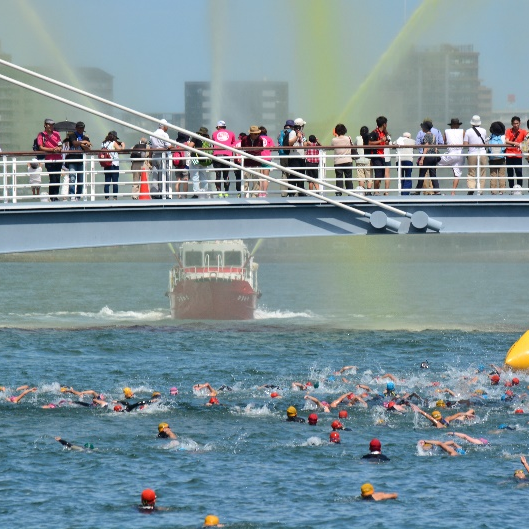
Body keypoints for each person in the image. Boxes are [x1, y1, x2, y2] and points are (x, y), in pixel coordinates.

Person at [436, 118, 465, 195]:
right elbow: (465, 142)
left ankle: (432, 185)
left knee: (436, 161)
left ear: (451, 125)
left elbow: (443, 142)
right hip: (460, 154)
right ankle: (453, 192)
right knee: (457, 174)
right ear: (458, 125)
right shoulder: (462, 131)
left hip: (451, 153)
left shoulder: (447, 131)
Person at [37, 118, 63, 201]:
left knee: (58, 178)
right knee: (52, 178)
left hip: (58, 158)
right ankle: (52, 196)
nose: (51, 126)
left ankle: (55, 196)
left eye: (52, 125)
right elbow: (41, 147)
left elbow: (60, 144)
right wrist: (52, 150)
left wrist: (59, 148)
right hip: (49, 159)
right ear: (45, 125)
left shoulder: (56, 134)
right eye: (49, 125)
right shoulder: (41, 135)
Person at [412, 122, 440, 194]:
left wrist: (422, 159)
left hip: (427, 157)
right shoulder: (433, 135)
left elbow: (426, 147)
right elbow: (435, 147)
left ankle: (417, 191)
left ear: (425, 128)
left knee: (422, 174)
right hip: (433, 156)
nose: (422, 129)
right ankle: (437, 190)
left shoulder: (426, 136)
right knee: (433, 174)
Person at [66, 122, 91, 200]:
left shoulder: (85, 138)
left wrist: (85, 145)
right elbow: (74, 143)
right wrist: (83, 143)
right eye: (79, 128)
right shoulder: (72, 135)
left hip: (81, 160)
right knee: (72, 178)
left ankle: (78, 196)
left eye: (82, 128)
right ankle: (72, 196)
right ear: (76, 128)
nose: (81, 129)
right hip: (72, 159)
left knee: (81, 180)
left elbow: (88, 149)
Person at [464, 115, 487, 195]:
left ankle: (471, 187)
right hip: (482, 153)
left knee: (471, 172)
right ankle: (480, 190)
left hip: (472, 153)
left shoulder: (468, 131)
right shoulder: (484, 131)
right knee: (482, 172)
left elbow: (465, 144)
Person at [149, 119, 172, 198]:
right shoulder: (164, 135)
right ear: (164, 126)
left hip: (154, 156)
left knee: (155, 176)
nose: (167, 127)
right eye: (167, 126)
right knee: (163, 175)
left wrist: (150, 158)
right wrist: (174, 147)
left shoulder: (152, 134)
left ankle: (154, 194)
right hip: (162, 156)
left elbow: (150, 148)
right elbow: (168, 146)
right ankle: (164, 194)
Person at [212, 120, 236, 196]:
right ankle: (226, 192)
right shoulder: (231, 133)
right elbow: (233, 143)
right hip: (227, 155)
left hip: (217, 155)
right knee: (226, 175)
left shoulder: (214, 134)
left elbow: (213, 143)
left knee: (218, 175)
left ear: (218, 127)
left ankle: (219, 192)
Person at [241, 126, 264, 197]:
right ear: (251, 134)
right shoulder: (245, 139)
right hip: (247, 162)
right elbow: (242, 148)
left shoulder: (260, 139)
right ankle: (244, 196)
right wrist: (253, 151)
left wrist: (252, 151)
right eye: (255, 134)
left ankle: (254, 196)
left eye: (258, 134)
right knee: (245, 180)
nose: (257, 135)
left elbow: (260, 149)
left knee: (256, 181)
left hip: (256, 162)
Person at [368, 116, 389, 194]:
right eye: (386, 123)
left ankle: (377, 191)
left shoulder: (384, 133)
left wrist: (385, 142)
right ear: (384, 124)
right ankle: (376, 191)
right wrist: (380, 141)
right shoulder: (374, 132)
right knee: (378, 174)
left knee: (381, 176)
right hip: (376, 156)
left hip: (382, 156)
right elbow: (369, 143)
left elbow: (383, 142)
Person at [331, 124, 354, 195]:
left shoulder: (334, 140)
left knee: (339, 178)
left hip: (338, 162)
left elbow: (331, 147)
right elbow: (352, 146)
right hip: (347, 160)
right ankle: (350, 193)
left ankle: (338, 193)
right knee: (348, 177)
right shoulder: (348, 138)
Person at [286, 118, 308, 195]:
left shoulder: (300, 133)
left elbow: (304, 145)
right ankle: (291, 193)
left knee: (301, 175)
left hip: (301, 157)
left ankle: (301, 192)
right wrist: (297, 137)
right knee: (294, 175)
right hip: (294, 157)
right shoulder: (292, 132)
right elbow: (290, 143)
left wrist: (303, 138)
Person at [505, 116, 527, 190]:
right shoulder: (508, 131)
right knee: (510, 174)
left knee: (519, 172)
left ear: (520, 123)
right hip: (509, 154)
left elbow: (527, 139)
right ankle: (511, 189)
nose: (515, 125)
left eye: (517, 123)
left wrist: (522, 145)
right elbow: (506, 141)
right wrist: (515, 143)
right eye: (514, 123)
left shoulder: (523, 132)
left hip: (518, 155)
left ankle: (519, 188)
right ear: (512, 124)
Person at [101, 131, 124, 200]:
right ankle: (115, 197)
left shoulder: (103, 143)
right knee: (115, 182)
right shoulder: (113, 143)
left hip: (106, 164)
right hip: (114, 164)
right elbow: (120, 150)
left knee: (107, 181)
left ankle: (106, 198)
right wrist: (123, 145)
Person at [189, 127, 210, 198]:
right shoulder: (207, 138)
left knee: (195, 175)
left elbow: (190, 146)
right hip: (204, 159)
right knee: (203, 176)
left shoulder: (196, 136)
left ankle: (196, 193)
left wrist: (188, 144)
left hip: (195, 157)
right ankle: (205, 191)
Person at [172, 132, 190, 199]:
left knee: (178, 181)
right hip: (185, 165)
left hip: (177, 165)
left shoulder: (175, 142)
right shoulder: (187, 143)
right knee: (185, 181)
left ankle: (179, 196)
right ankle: (185, 196)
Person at [355, 126, 372, 193]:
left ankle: (361, 191)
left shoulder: (358, 138)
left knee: (361, 177)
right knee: (369, 176)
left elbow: (354, 145)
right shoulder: (369, 138)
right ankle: (369, 191)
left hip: (359, 160)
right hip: (368, 159)